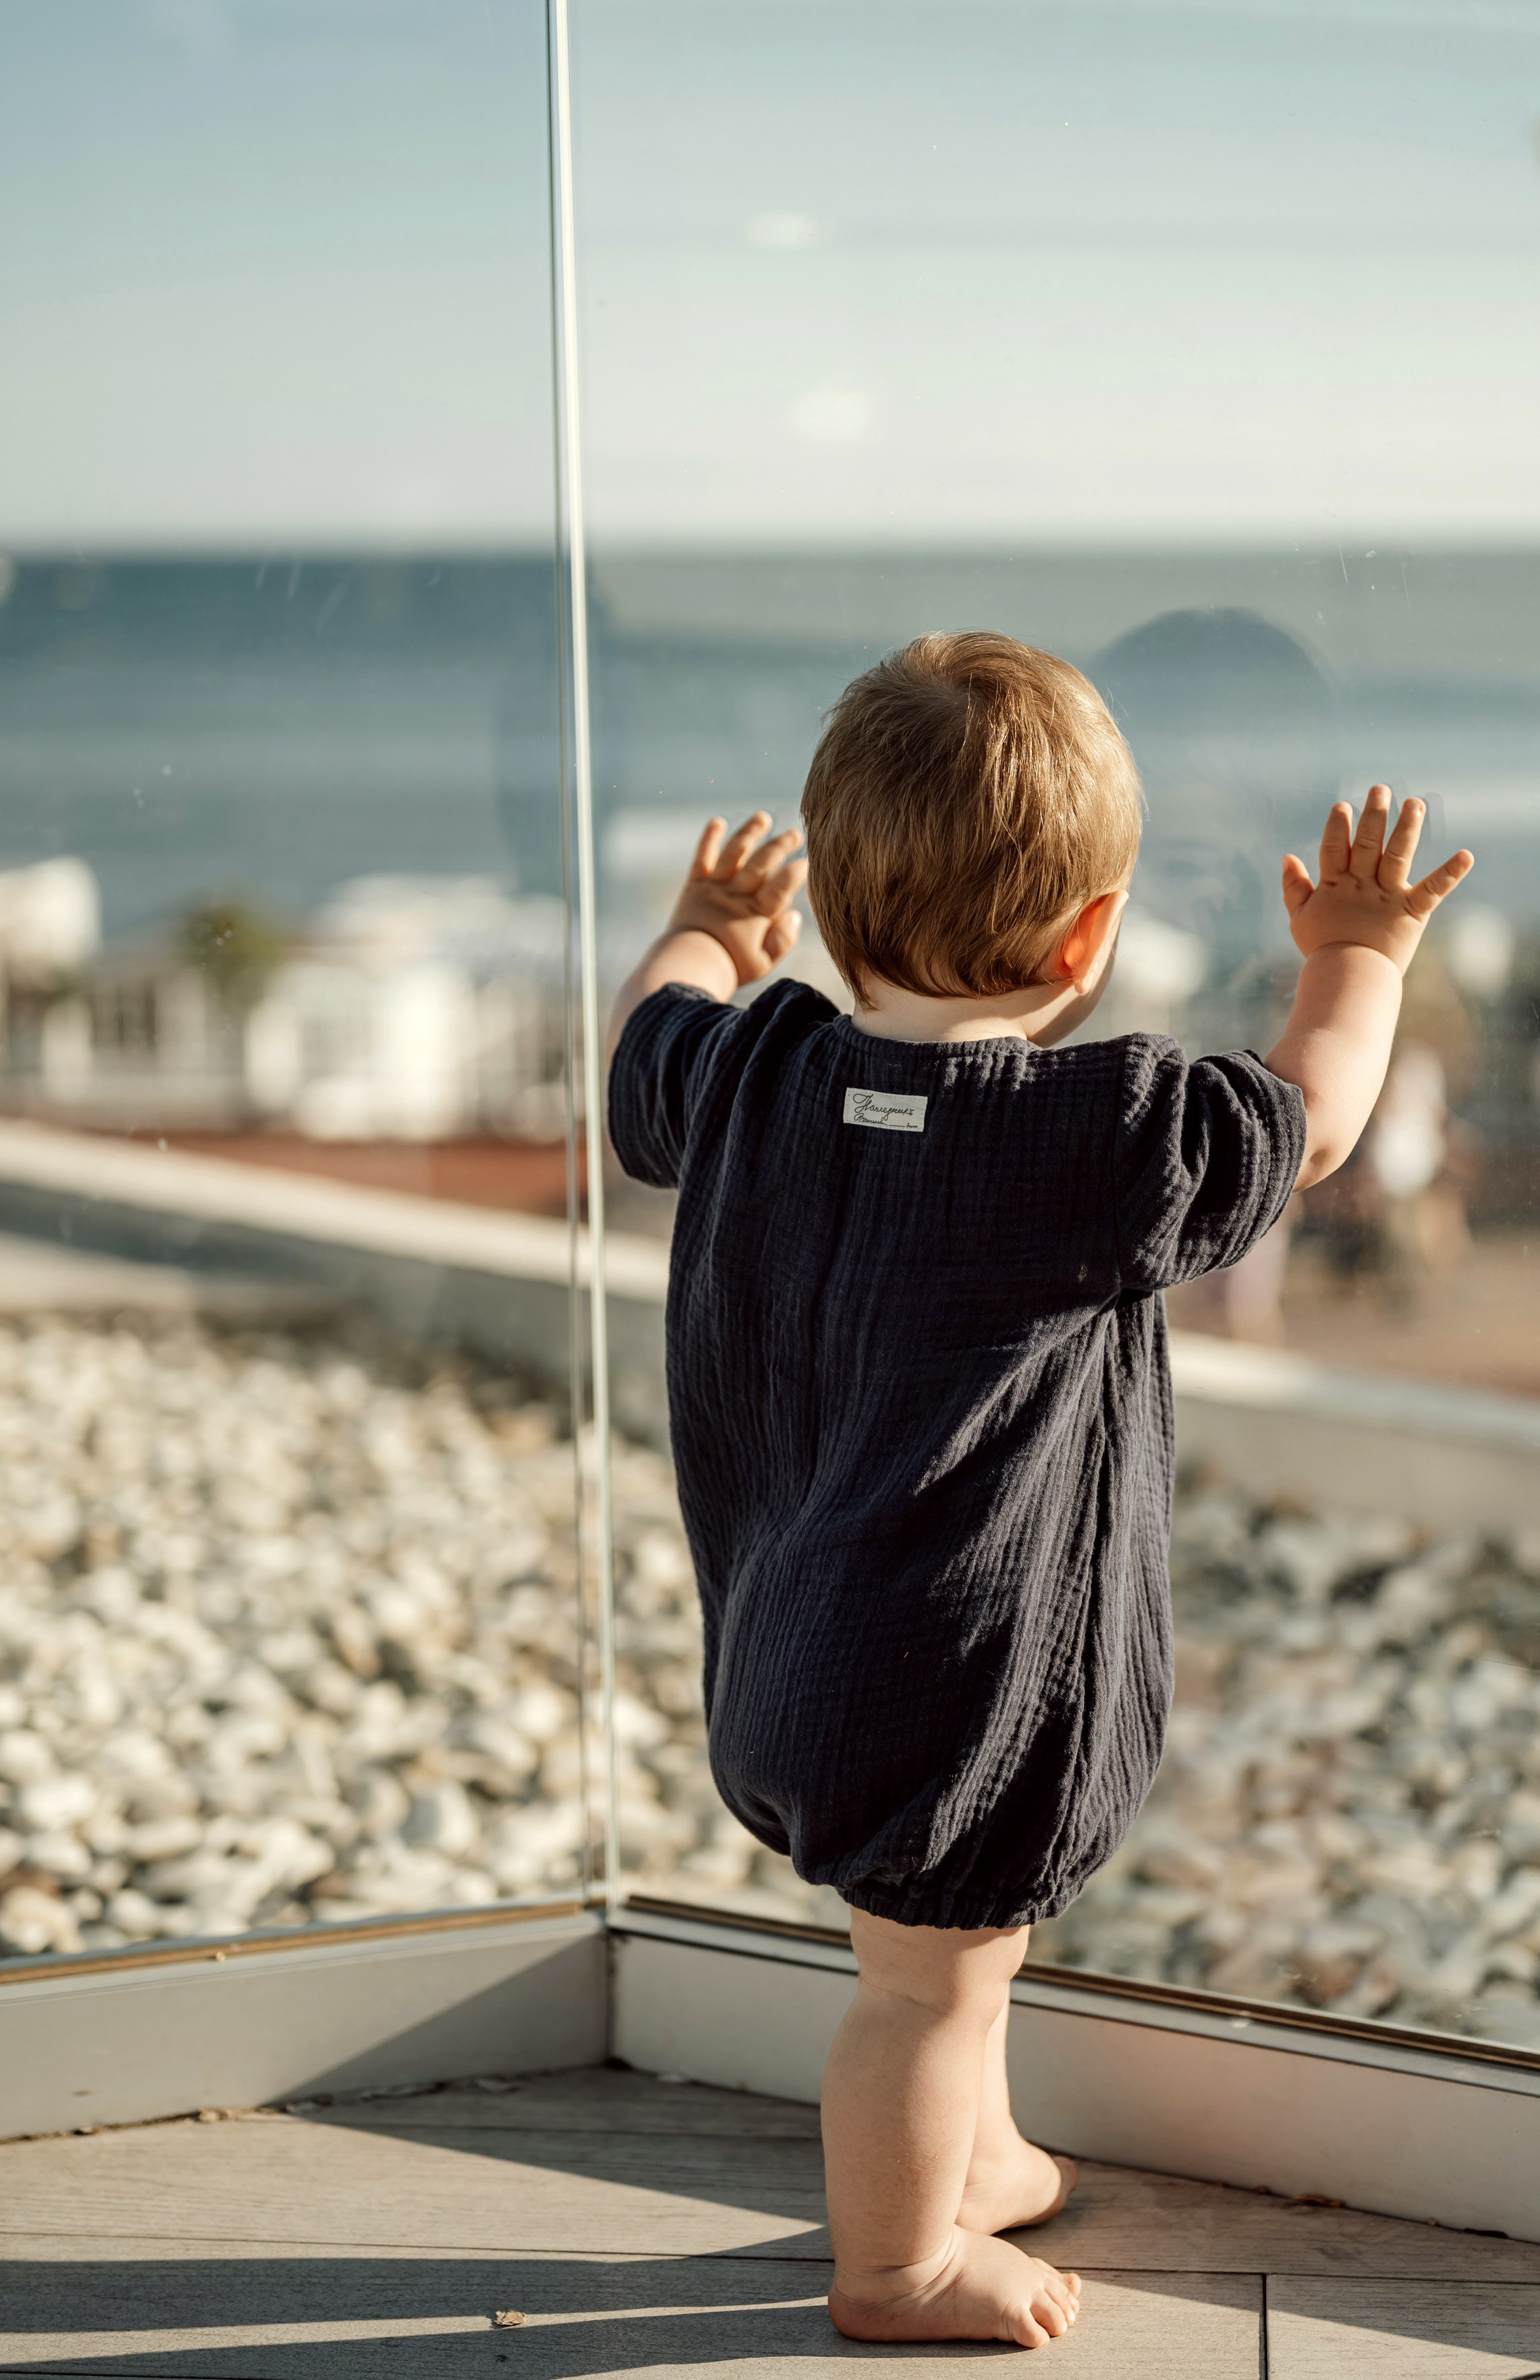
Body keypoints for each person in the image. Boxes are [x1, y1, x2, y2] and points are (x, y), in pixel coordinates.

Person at [603, 632, 1473, 2349]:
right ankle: (901, 2260)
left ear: (838, 913)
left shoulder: (760, 1071)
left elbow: (652, 1035)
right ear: (1090, 940)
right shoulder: (1096, 1134)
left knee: (955, 1958)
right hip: (962, 1694)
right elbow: (1311, 1120)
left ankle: (979, 2156)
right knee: (923, 1989)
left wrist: (709, 926)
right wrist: (1359, 953)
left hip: (791, 1648)